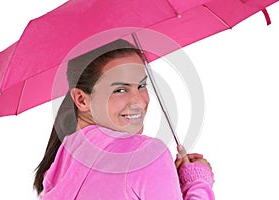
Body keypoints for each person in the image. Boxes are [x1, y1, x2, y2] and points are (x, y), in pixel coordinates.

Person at [33, 39, 215, 199]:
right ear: (82, 100)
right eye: (120, 89)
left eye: (142, 85)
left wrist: (163, 181)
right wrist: (197, 182)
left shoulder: (59, 165)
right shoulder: (147, 155)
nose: (139, 101)